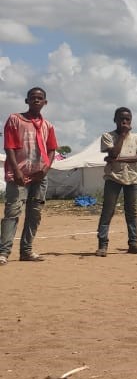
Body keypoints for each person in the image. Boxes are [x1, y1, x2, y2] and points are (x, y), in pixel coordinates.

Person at [2, 87, 59, 264]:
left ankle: (26, 250)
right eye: (33, 98)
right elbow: (9, 147)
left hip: (39, 176)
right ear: (26, 101)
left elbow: (51, 149)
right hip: (18, 174)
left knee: (34, 213)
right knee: (12, 212)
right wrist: (16, 171)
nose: (36, 100)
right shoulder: (15, 119)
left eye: (40, 98)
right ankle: (3, 252)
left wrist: (46, 169)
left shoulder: (48, 125)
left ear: (45, 102)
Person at [96, 107, 137, 256]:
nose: (124, 122)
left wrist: (117, 159)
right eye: (121, 119)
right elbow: (113, 152)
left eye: (127, 119)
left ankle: (133, 243)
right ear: (115, 120)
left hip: (132, 178)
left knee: (131, 212)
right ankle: (103, 245)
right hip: (113, 177)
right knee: (108, 210)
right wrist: (123, 135)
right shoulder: (107, 136)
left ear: (131, 120)